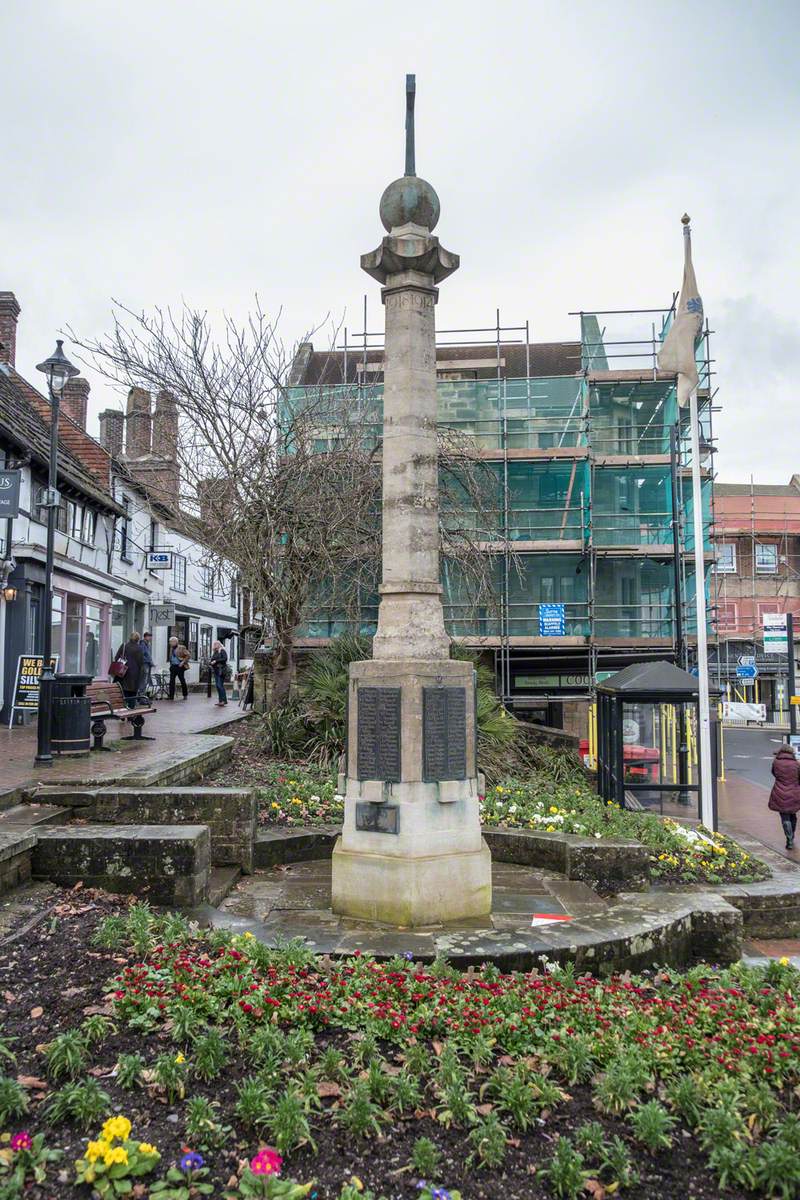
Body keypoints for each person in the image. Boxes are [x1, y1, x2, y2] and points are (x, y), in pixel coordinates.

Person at [768, 744, 800, 850]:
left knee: (784, 817)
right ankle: (792, 836)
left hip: (779, 791)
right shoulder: (796, 764)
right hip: (794, 792)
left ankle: (789, 839)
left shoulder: (776, 762)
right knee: (793, 815)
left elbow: (774, 773)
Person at [114, 630, 144, 709]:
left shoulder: (124, 646)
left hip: (123, 672)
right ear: (138, 639)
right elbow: (141, 662)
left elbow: (116, 657)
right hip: (135, 674)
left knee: (124, 692)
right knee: (133, 693)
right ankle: (131, 711)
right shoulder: (139, 648)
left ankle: (123, 709)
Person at [168, 635, 190, 700]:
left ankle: (185, 695)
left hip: (179, 666)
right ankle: (171, 696)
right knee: (171, 681)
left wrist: (182, 662)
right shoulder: (171, 648)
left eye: (171, 642)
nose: (170, 643)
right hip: (173, 666)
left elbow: (188, 655)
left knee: (182, 680)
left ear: (175, 642)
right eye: (170, 642)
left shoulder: (181, 647)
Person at [209, 639, 228, 706]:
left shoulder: (222, 650)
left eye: (216, 644)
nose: (215, 645)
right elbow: (212, 660)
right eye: (214, 644)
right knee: (218, 686)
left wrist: (216, 661)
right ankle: (220, 701)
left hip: (221, 670)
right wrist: (211, 662)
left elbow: (225, 659)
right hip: (216, 671)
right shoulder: (215, 652)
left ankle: (224, 700)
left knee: (220, 685)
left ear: (219, 644)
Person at [141, 631, 153, 697]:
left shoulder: (148, 644)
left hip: (148, 664)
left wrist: (151, 662)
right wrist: (148, 661)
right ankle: (141, 696)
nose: (150, 638)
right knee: (143, 681)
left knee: (145, 681)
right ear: (145, 637)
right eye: (149, 636)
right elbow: (142, 655)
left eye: (150, 637)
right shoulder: (142, 644)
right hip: (144, 664)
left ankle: (143, 696)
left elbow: (148, 654)